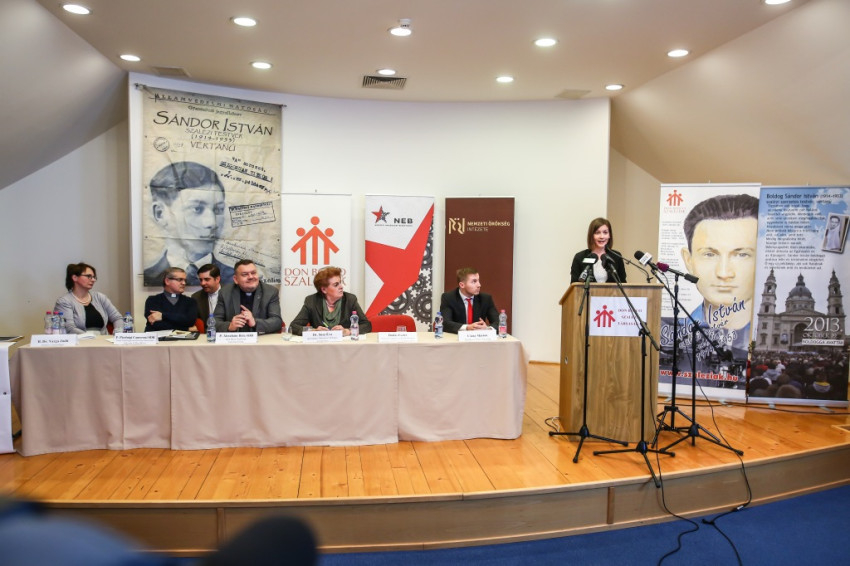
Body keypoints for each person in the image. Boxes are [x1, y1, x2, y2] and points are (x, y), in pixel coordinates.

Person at [143, 161, 235, 286]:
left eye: (218, 210)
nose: (212, 223)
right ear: (160, 214)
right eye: (197, 209)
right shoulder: (149, 278)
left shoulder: (234, 280)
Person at [680, 194, 759, 335]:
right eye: (709, 255)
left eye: (742, 255)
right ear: (688, 261)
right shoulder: (678, 333)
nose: (723, 273)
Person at [288, 266, 371, 336]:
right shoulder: (312, 301)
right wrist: (313, 331)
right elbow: (294, 326)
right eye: (336, 285)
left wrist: (348, 331)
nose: (341, 287)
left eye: (340, 283)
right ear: (324, 289)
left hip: (344, 346)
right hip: (320, 346)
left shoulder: (350, 299)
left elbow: (366, 325)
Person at [214, 259, 283, 334]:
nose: (250, 277)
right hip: (235, 339)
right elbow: (214, 322)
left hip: (261, 339)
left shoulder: (270, 292)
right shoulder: (225, 293)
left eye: (253, 273)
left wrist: (255, 322)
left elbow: (277, 322)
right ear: (236, 279)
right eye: (245, 274)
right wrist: (229, 326)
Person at [54, 262, 124, 335]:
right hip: (80, 340)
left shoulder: (99, 297)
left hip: (103, 340)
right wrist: (92, 338)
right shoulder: (64, 302)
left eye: (94, 277)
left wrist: (118, 334)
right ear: (75, 277)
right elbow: (69, 328)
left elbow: (117, 318)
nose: (93, 280)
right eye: (89, 276)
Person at [439, 267, 500, 334]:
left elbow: (499, 322)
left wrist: (487, 329)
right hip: (456, 338)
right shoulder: (448, 298)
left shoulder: (485, 299)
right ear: (462, 285)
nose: (479, 285)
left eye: (478, 281)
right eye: (474, 281)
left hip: (478, 338)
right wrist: (467, 327)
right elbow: (445, 323)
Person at [569, 217, 627, 283]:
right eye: (597, 233)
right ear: (591, 235)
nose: (602, 236)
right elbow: (574, 285)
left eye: (605, 232)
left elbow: (623, 283)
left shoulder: (616, 256)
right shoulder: (580, 257)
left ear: (609, 235)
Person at [144, 267, 199, 332]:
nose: (184, 283)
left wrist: (163, 316)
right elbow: (156, 325)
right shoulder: (153, 300)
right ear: (167, 281)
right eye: (180, 280)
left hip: (183, 338)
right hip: (157, 338)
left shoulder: (190, 302)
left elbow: (190, 321)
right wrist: (186, 329)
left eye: (185, 280)